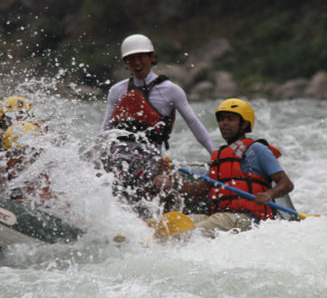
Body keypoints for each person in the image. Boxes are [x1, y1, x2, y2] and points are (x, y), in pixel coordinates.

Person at [99, 33, 215, 212]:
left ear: (152, 57)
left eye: (140, 57)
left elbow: (193, 122)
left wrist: (214, 154)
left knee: (164, 185)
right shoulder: (117, 90)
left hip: (150, 158)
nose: (136, 63)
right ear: (126, 62)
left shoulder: (171, 91)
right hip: (119, 156)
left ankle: (167, 221)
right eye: (131, 59)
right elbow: (105, 130)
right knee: (110, 179)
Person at [162, 98, 294, 235]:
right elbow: (196, 191)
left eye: (230, 119)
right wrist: (172, 175)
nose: (223, 123)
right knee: (171, 226)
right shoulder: (219, 156)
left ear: (244, 124)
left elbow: (286, 184)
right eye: (221, 120)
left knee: (190, 233)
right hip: (222, 218)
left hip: (250, 219)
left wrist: (268, 194)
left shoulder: (258, 150)